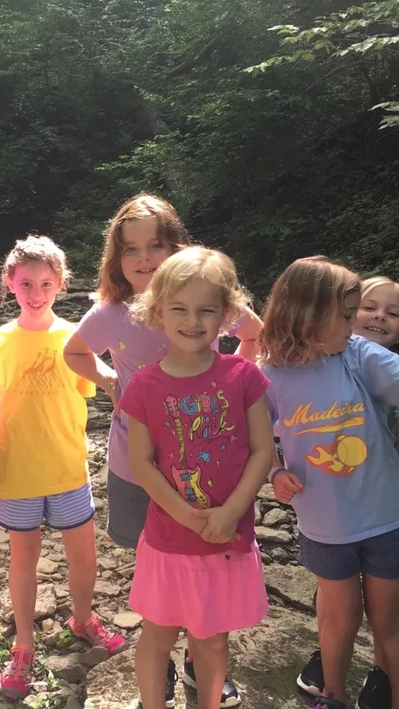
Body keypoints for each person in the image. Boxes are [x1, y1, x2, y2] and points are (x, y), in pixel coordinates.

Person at [63, 194, 262, 707]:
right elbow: (73, 352)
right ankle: (167, 650)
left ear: (178, 246)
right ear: (116, 257)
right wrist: (109, 380)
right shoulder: (110, 313)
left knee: (206, 569)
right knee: (153, 556)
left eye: (157, 245)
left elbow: (255, 335)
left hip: (211, 467)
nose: (145, 258)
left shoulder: (206, 299)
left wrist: (236, 393)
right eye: (132, 249)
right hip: (138, 463)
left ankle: (201, 657)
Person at [259, 257, 399, 709]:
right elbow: (257, 435)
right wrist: (274, 472)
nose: (354, 325)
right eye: (346, 316)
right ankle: (333, 695)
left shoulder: (358, 355)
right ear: (304, 313)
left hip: (386, 517)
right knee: (339, 621)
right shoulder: (267, 374)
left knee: (388, 623)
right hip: (325, 526)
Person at [118, 247, 273, 709]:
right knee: (157, 636)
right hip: (168, 540)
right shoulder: (145, 384)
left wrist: (230, 512)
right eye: (179, 309)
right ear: (157, 311)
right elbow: (142, 462)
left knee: (212, 641)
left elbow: (263, 450)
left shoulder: (243, 375)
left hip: (227, 538)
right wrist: (185, 513)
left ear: (226, 315)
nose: (193, 321)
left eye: (206, 310)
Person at [0, 236, 128, 700]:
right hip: (15, 471)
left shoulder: (76, 338)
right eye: (26, 283)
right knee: (23, 557)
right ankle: (23, 643)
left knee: (83, 555)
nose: (36, 292)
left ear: (62, 284)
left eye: (46, 283)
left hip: (68, 467)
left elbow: (99, 389)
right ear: (9, 283)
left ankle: (82, 619)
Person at [296, 274, 399, 709]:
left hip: (384, 504)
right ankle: (329, 659)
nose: (379, 318)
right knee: (336, 604)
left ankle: (382, 673)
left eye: (393, 314)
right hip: (331, 513)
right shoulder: (320, 365)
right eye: (369, 308)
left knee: (384, 609)